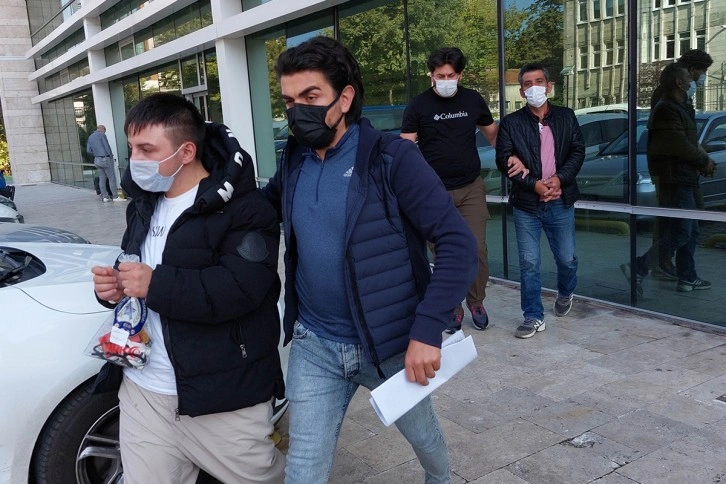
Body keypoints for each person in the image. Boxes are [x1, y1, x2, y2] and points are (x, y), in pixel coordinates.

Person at [264, 36, 477, 484]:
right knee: (303, 467)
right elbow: (256, 213)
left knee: (425, 439)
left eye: (310, 97)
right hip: (314, 344)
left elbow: (458, 243)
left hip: (390, 344)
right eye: (289, 101)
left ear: (345, 98)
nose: (297, 111)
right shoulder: (293, 161)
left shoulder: (392, 158)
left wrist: (427, 330)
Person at [91, 93, 285, 484]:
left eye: (147, 149)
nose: (135, 160)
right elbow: (138, 267)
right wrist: (116, 286)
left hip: (224, 398)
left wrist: (154, 283)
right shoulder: (143, 205)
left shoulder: (245, 209)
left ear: (186, 152)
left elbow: (242, 288)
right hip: (144, 391)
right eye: (132, 148)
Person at [400, 47, 496, 332]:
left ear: (460, 75)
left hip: (470, 187)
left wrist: (513, 158)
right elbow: (405, 148)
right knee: (445, 255)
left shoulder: (472, 100)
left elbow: (494, 135)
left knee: (476, 249)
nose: (445, 80)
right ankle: (453, 306)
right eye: (440, 76)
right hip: (434, 193)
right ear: (431, 75)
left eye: (450, 75)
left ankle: (476, 301)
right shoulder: (418, 106)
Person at [495, 63, 585, 339]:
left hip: (560, 200)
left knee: (567, 259)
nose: (534, 87)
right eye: (527, 84)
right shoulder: (511, 123)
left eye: (539, 82)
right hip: (527, 206)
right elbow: (504, 159)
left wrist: (559, 179)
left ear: (549, 86)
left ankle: (566, 291)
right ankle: (533, 316)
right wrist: (533, 184)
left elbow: (578, 151)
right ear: (522, 92)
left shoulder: (566, 116)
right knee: (529, 263)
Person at [621, 63, 716, 295]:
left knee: (691, 230)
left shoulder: (681, 107)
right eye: (689, 78)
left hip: (685, 176)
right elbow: (679, 145)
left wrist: (703, 160)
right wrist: (702, 161)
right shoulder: (667, 109)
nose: (693, 82)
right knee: (682, 230)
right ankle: (639, 267)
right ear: (679, 83)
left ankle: (687, 277)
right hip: (675, 178)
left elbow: (688, 142)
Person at [648, 49, 714, 280]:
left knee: (688, 223)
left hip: (684, 170)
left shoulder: (682, 99)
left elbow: (687, 137)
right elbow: (677, 140)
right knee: (676, 223)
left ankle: (684, 272)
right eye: (702, 72)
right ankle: (655, 264)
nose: (702, 77)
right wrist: (702, 159)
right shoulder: (668, 99)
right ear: (692, 71)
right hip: (673, 171)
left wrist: (702, 157)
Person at [87, 124, 124, 202]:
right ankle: (115, 197)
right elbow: (107, 146)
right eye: (105, 131)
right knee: (111, 177)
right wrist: (110, 156)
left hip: (97, 160)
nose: (104, 133)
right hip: (105, 159)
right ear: (102, 129)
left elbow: (88, 150)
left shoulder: (90, 137)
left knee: (102, 178)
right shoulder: (102, 135)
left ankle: (105, 197)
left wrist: (97, 154)